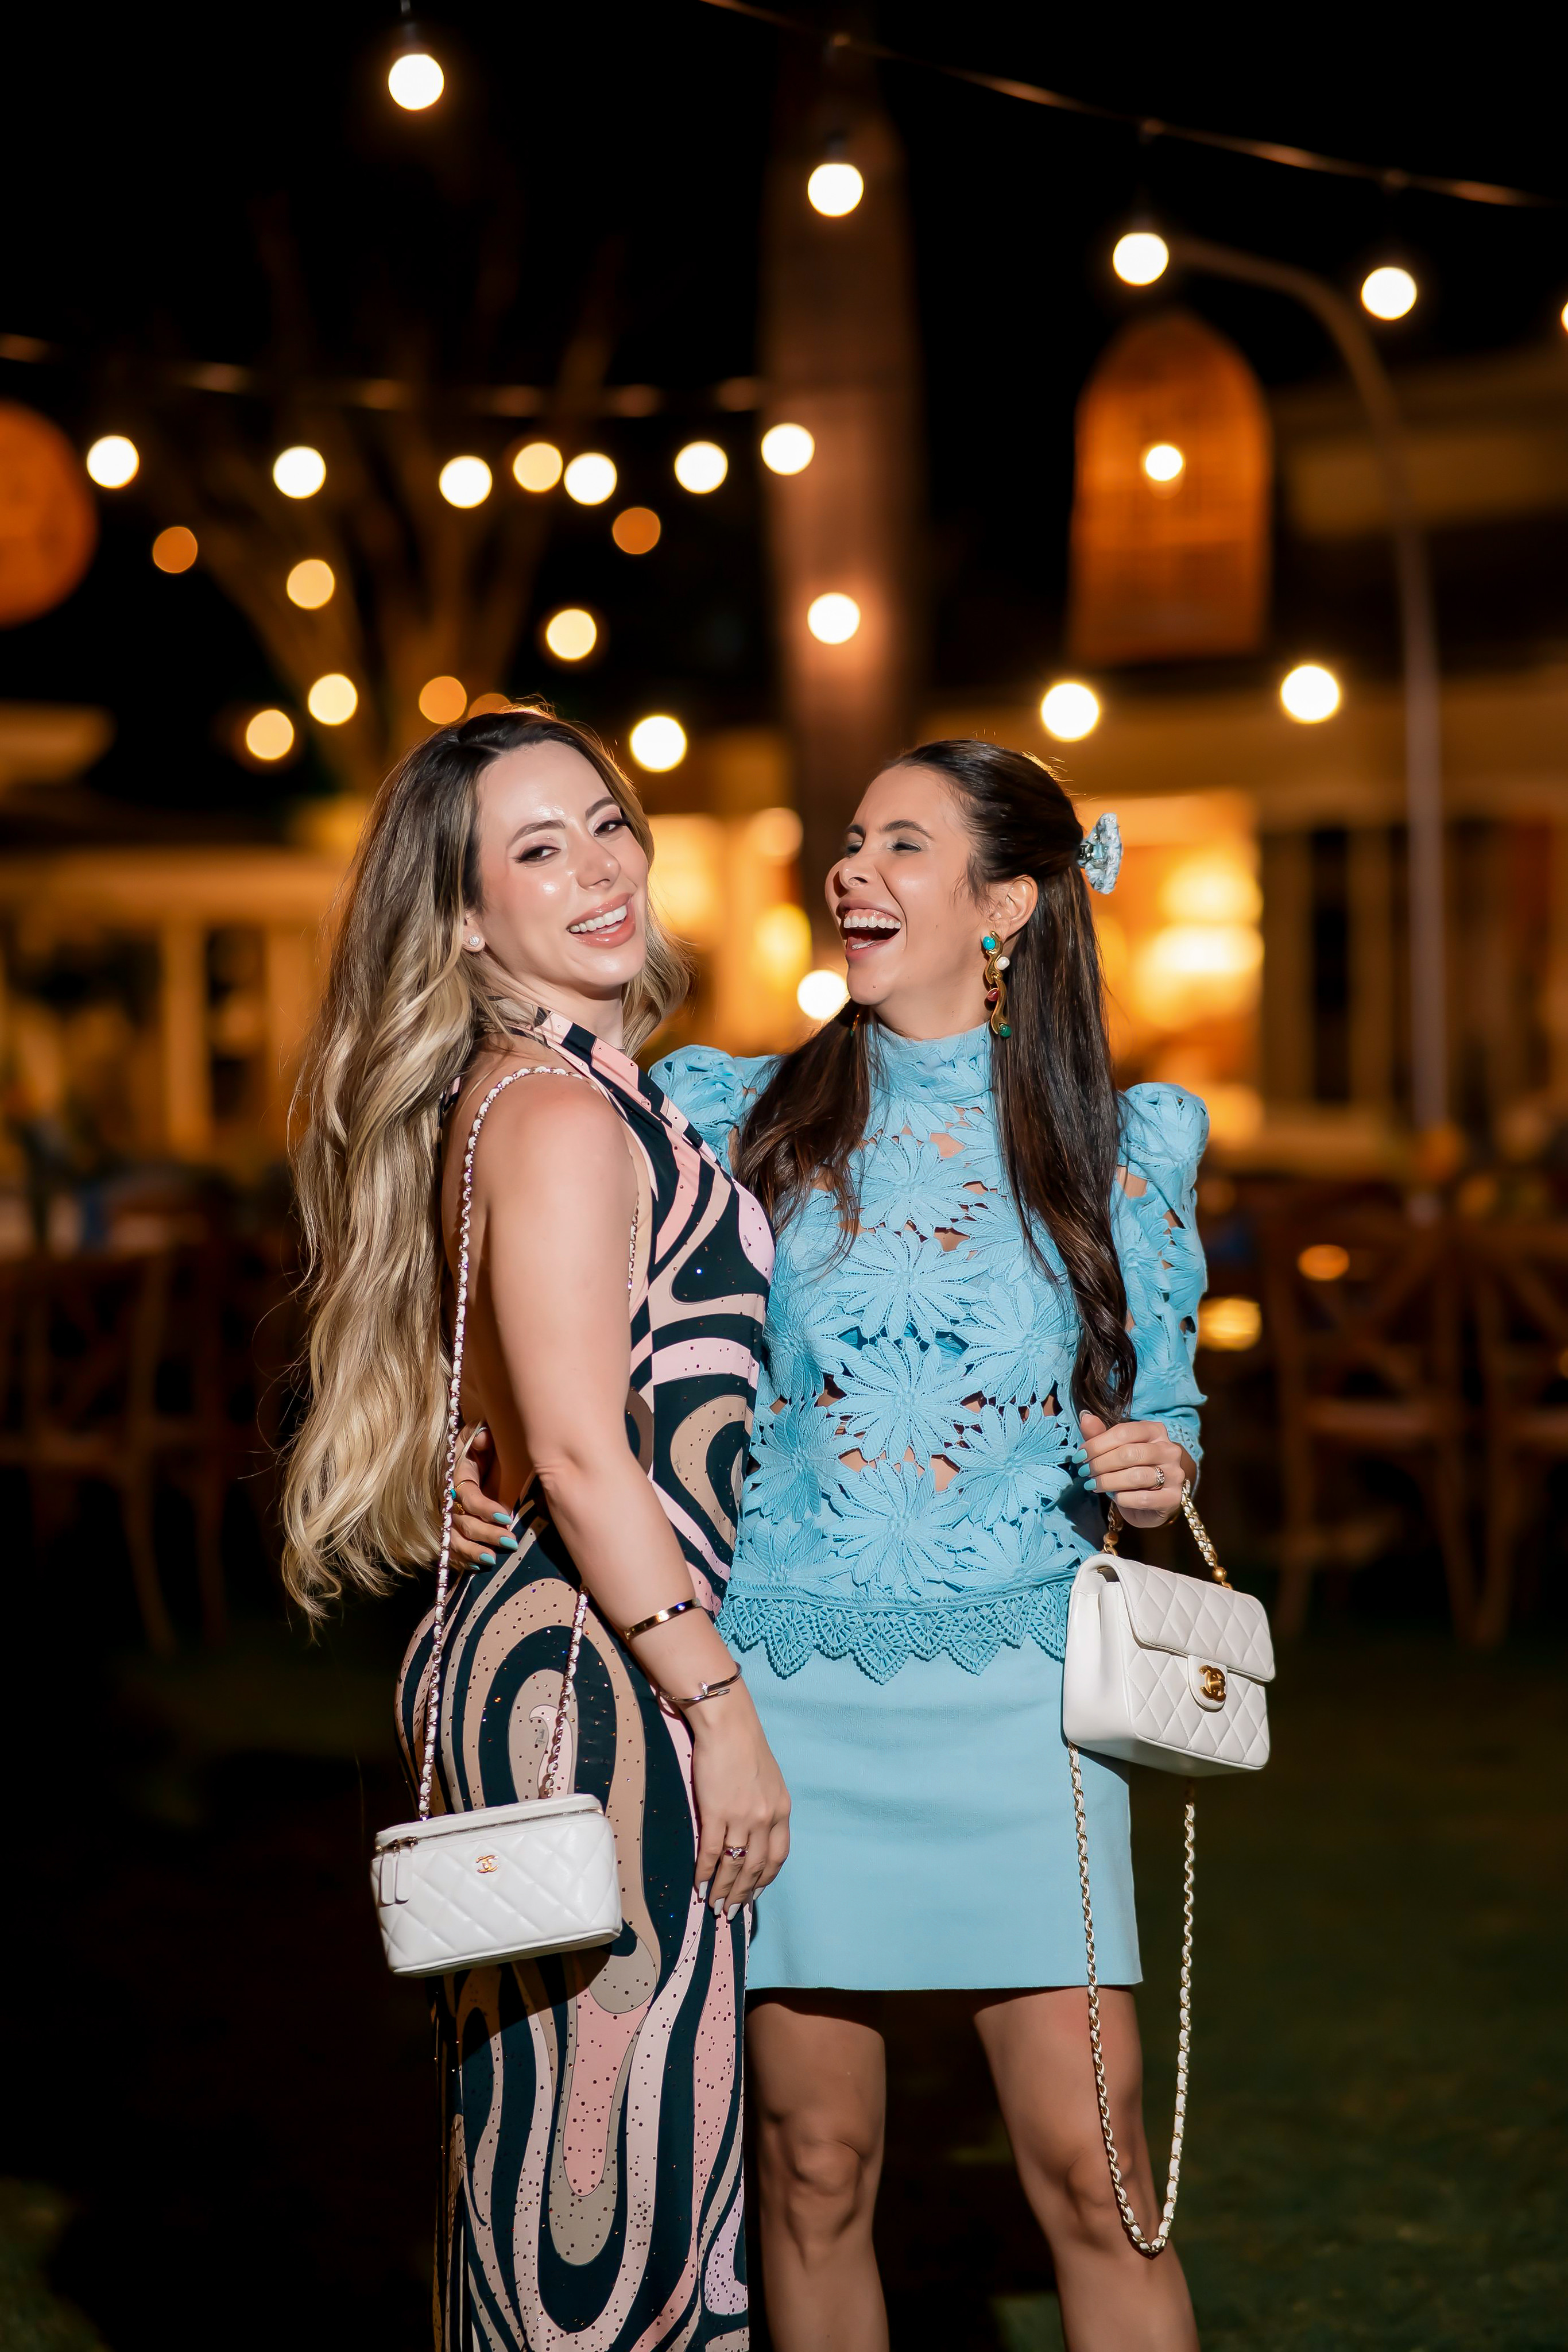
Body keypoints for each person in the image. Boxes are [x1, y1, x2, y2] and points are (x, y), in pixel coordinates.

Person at [657, 740, 1207, 2352]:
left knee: (1098, 2177)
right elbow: (594, 1332)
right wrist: (481, 1445)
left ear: (1007, 904)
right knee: (812, 2167)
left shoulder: (1121, 1142)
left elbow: (1166, 1413)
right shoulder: (735, 1115)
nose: (853, 869)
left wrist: (1157, 1470)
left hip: (1027, 1707)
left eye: (903, 843)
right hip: (786, 1699)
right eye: (852, 839)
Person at [281, 705, 791, 2351]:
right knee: (605, 2191)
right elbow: (577, 1449)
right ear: (461, 915)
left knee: (544, 2148)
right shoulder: (560, 1116)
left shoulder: (538, 1093)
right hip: (608, 1684)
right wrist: (718, 1706)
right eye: (539, 850)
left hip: (557, 1655)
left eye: (608, 824)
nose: (599, 871)